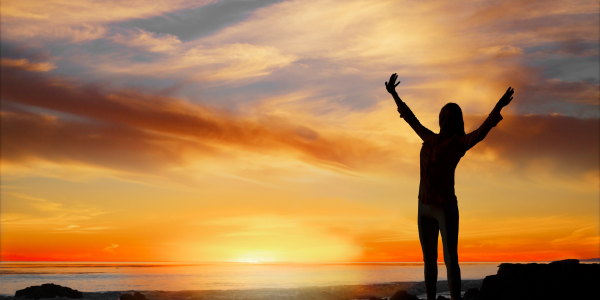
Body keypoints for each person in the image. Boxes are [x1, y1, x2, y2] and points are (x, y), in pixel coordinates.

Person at [384, 73, 514, 300]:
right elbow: (410, 118)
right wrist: (394, 94)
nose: (447, 121)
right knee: (429, 260)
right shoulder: (430, 140)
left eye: (452, 119)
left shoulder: (459, 144)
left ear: (458, 123)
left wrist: (498, 107)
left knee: (450, 258)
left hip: (445, 208)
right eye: (444, 117)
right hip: (423, 206)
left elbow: (481, 132)